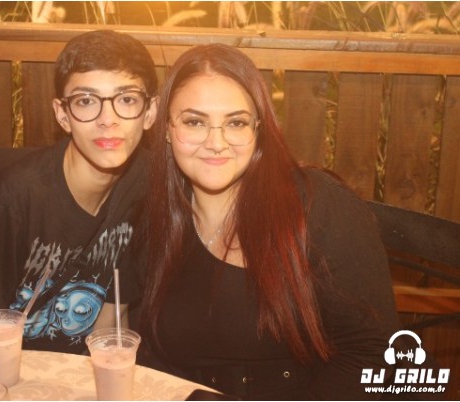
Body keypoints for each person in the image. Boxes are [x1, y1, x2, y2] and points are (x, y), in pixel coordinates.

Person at [138, 43, 401, 400]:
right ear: (167, 129)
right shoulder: (155, 217)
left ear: (258, 129)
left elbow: (372, 353)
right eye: (194, 122)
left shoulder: (316, 205)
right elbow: (151, 352)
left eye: (236, 122)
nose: (216, 142)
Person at [0, 30, 158, 354]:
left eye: (127, 99)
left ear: (150, 112)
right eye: (86, 101)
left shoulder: (146, 184)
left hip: (79, 369)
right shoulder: (12, 200)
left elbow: (114, 314)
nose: (108, 120)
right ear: (62, 114)